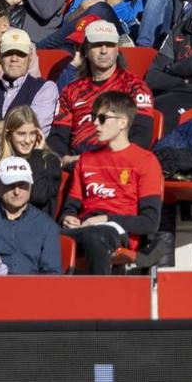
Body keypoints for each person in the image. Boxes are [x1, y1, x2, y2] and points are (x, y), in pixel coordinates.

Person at [60, 91, 161, 273]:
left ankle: (101, 297)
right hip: (85, 227)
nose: (95, 124)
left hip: (117, 229)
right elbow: (71, 206)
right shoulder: (86, 159)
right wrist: (69, 217)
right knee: (41, 234)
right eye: (93, 117)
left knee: (95, 236)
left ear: (122, 122)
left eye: (102, 118)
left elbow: (150, 222)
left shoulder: (145, 160)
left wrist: (106, 219)